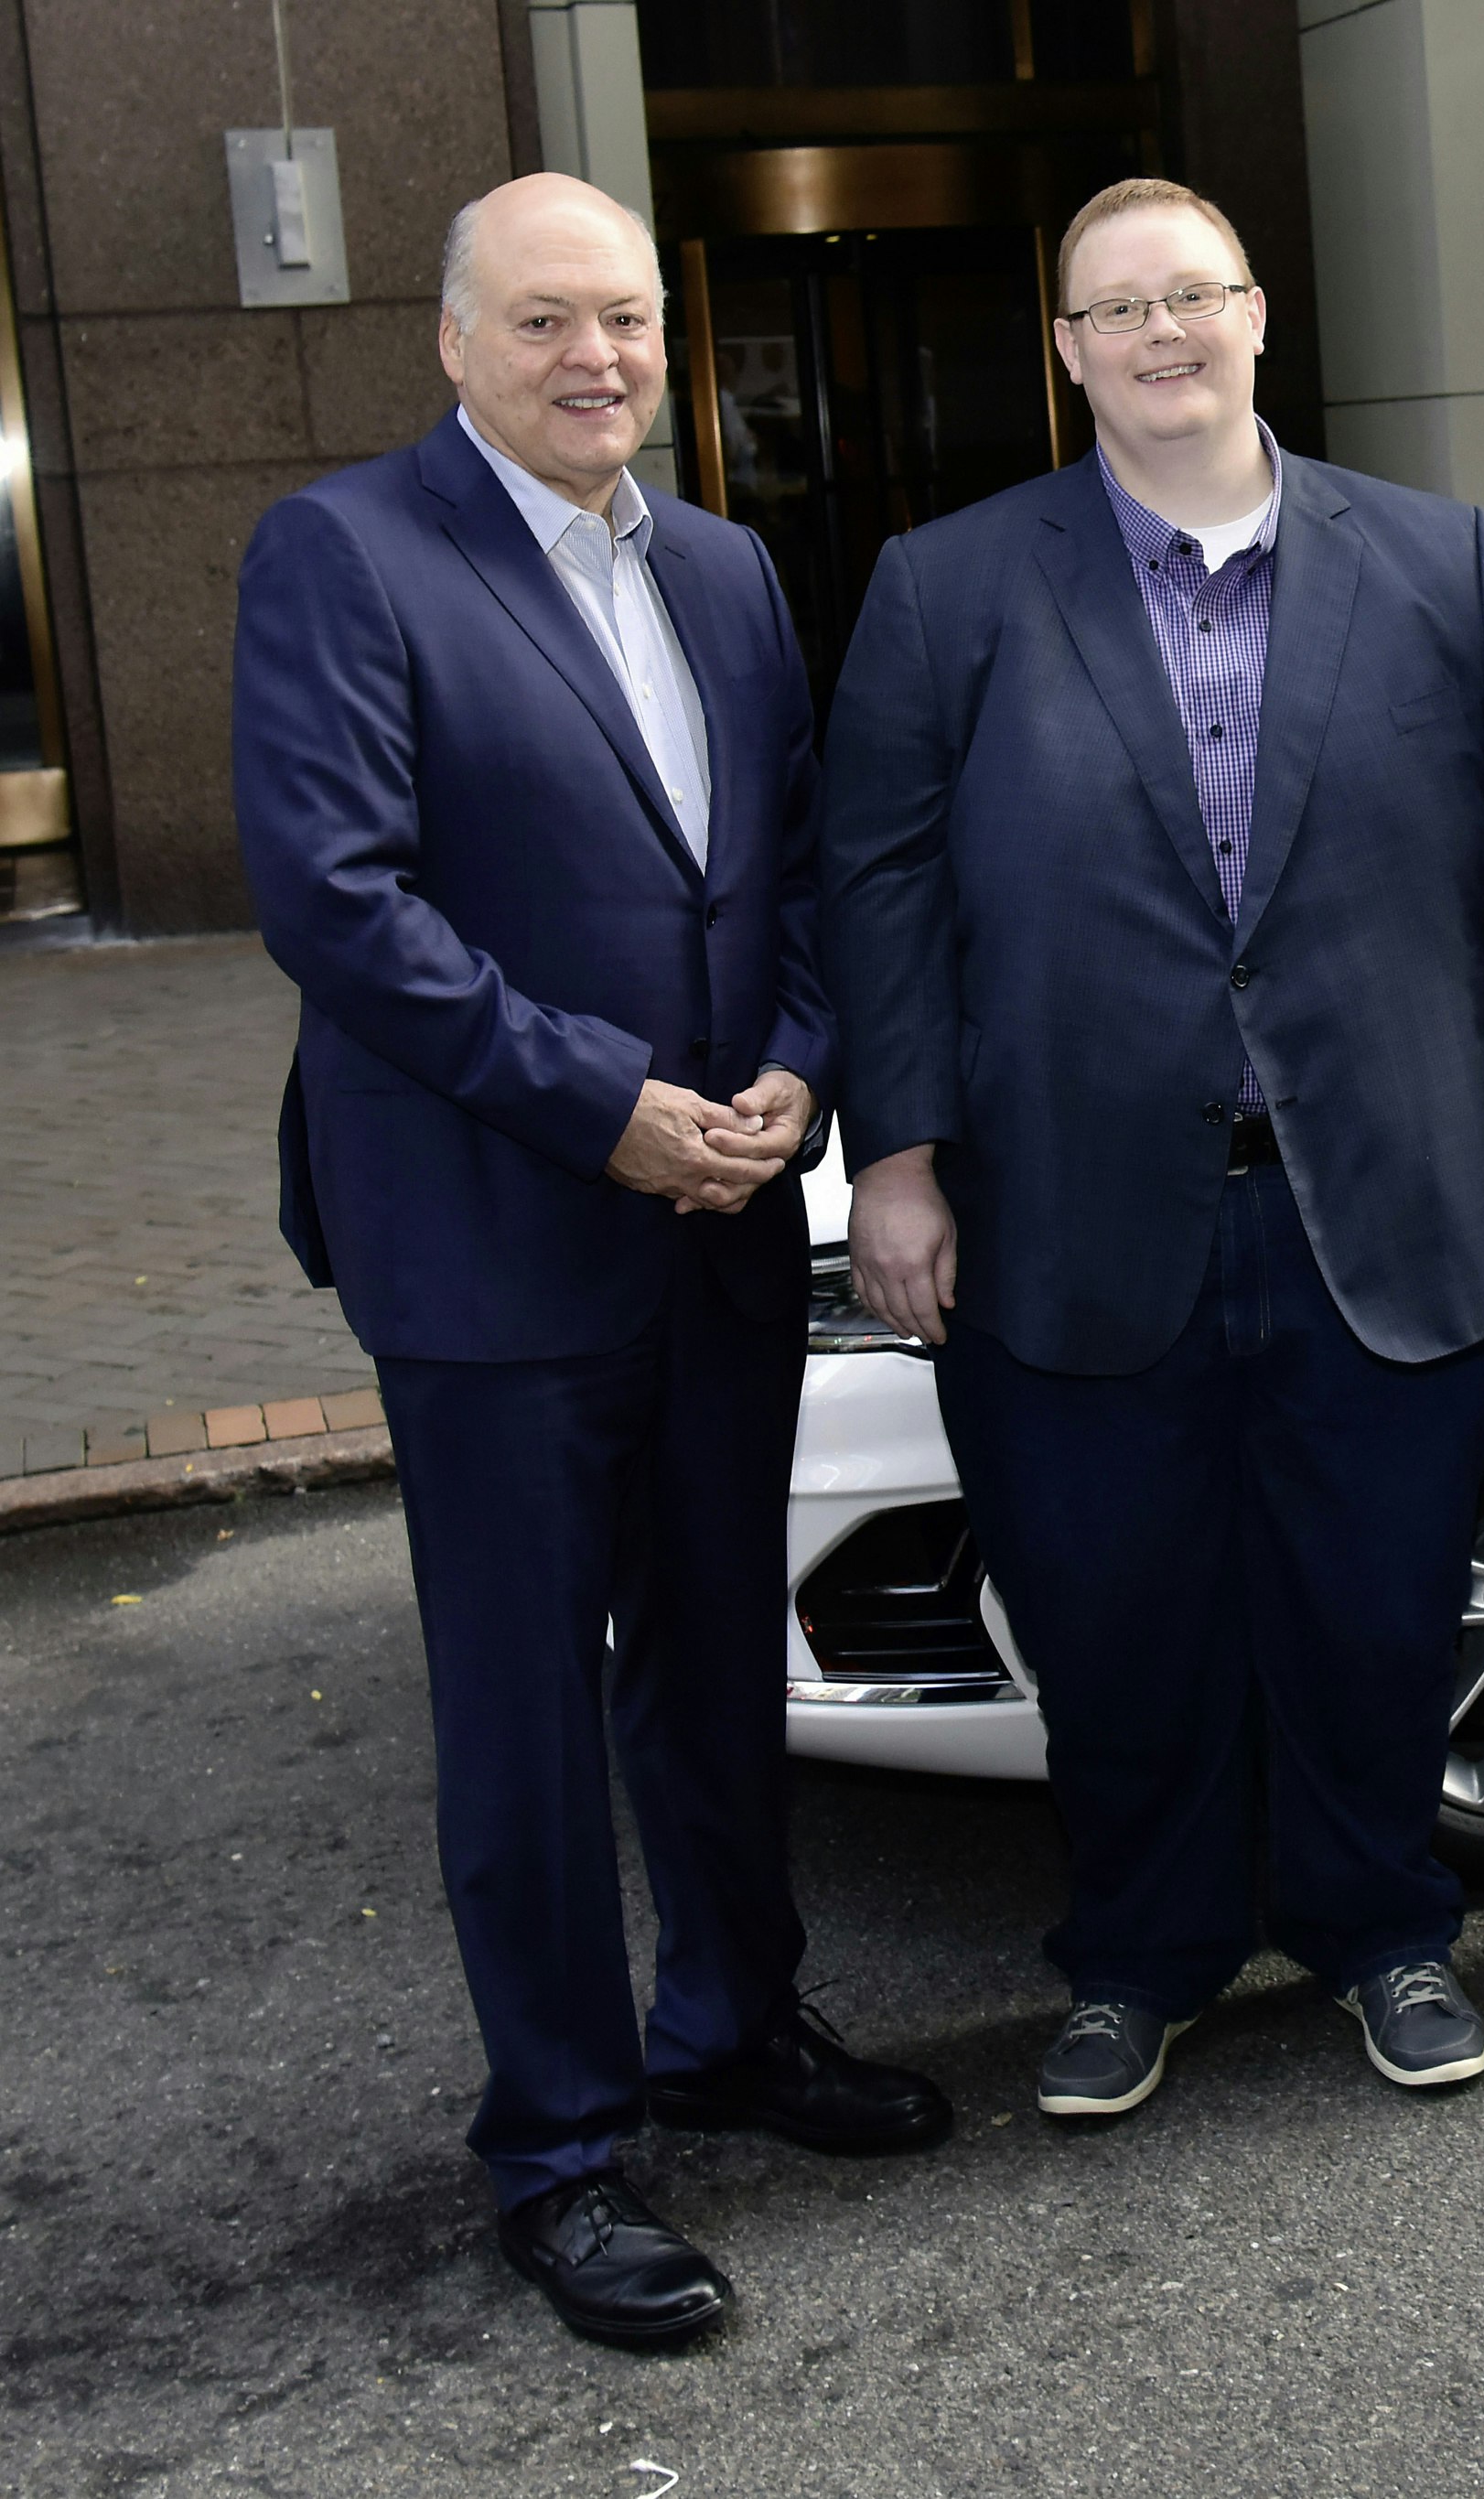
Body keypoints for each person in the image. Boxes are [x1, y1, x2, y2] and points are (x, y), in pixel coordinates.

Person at [821, 178, 1484, 2121]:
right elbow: (877, 890)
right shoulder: (946, 588)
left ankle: (1387, 1935)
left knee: (1372, 1604)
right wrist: (898, 1160)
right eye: (1116, 307)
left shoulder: (1439, 568)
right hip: (1070, 1217)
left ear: (1258, 314)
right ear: (1068, 352)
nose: (1159, 332)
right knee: (1116, 1621)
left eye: (1191, 293)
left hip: (1387, 1195)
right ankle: (1139, 1959)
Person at [231, 174, 951, 2350]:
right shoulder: (346, 554)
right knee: (532, 1715)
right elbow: (341, 903)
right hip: (495, 1235)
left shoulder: (725, 566)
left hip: (720, 1218)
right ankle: (557, 2145)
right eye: (545, 321)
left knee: (716, 1661)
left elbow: (798, 869)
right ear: (452, 345)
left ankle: (730, 2028)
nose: (596, 360)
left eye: (626, 320)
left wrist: (795, 1079)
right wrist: (604, 1103)